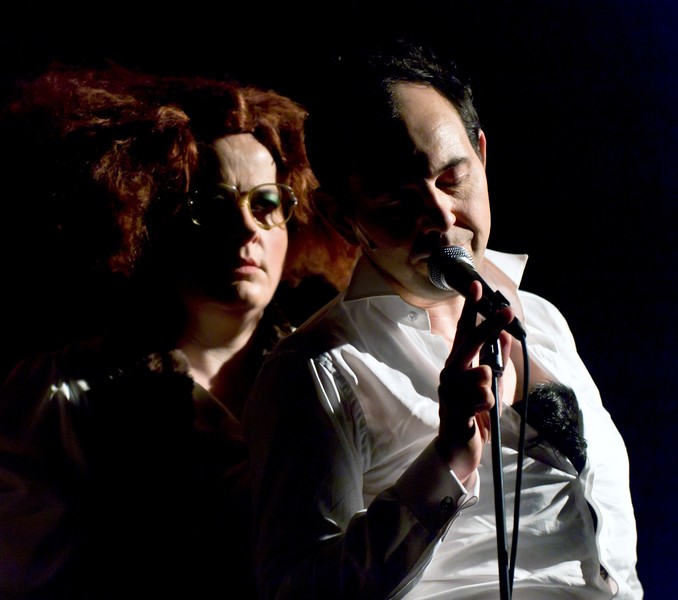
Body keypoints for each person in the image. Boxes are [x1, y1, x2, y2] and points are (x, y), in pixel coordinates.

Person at [245, 39, 643, 599]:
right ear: (342, 217)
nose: (439, 215)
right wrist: (446, 460)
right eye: (396, 202)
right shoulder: (315, 370)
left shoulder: (544, 320)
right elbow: (296, 590)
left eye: (453, 178)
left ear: (481, 153)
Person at [0, 61, 356, 600]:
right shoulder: (61, 401)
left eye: (266, 203)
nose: (247, 226)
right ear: (150, 218)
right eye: (212, 205)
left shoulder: (337, 373)